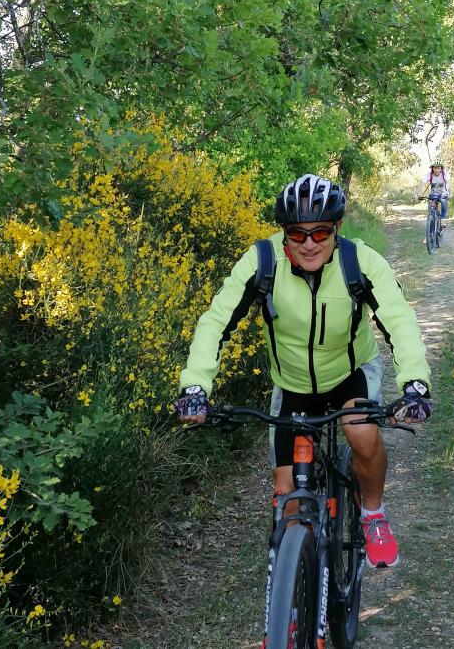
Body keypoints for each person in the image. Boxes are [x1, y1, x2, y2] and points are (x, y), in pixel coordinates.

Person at [175, 174, 433, 570]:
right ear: (284, 234)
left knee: (362, 432)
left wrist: (414, 384)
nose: (309, 243)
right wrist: (195, 386)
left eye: (320, 232)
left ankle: (373, 515)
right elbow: (215, 321)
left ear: (337, 229)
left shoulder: (358, 261)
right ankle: (291, 600)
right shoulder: (262, 262)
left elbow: (398, 319)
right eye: (297, 234)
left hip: (350, 372)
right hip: (292, 384)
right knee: (287, 498)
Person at [415, 159, 453, 227]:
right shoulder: (429, 175)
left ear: (441, 168)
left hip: (443, 194)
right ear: (432, 168)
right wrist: (416, 194)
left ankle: (443, 219)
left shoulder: (445, 174)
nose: (437, 170)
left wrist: (451, 194)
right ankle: (431, 222)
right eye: (435, 168)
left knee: (444, 202)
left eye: (438, 168)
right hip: (433, 195)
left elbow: (449, 185)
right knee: (431, 206)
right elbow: (422, 184)